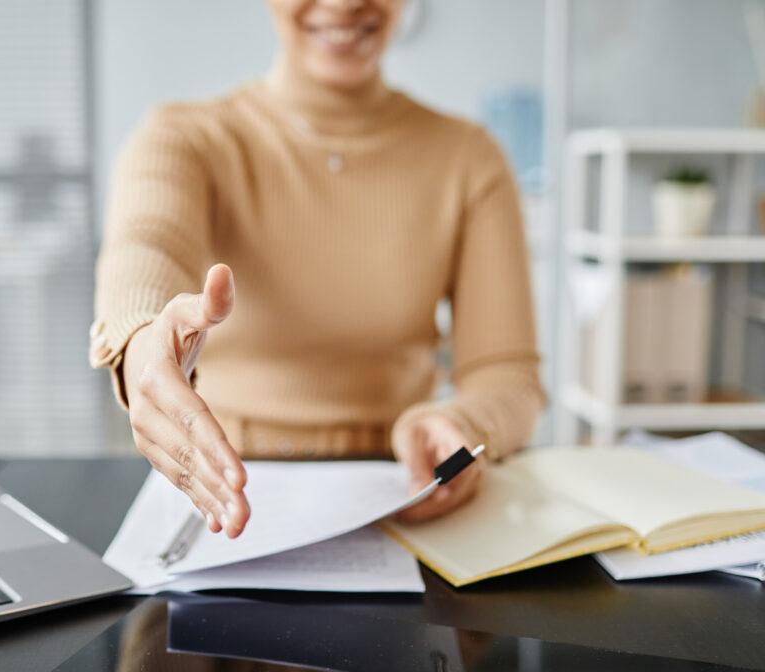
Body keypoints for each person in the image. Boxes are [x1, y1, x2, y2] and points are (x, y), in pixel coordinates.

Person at [89, 0, 544, 539]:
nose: (345, 4)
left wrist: (463, 424)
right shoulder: (183, 137)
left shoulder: (470, 157)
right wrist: (145, 342)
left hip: (405, 496)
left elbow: (508, 374)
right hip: (220, 491)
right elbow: (147, 246)